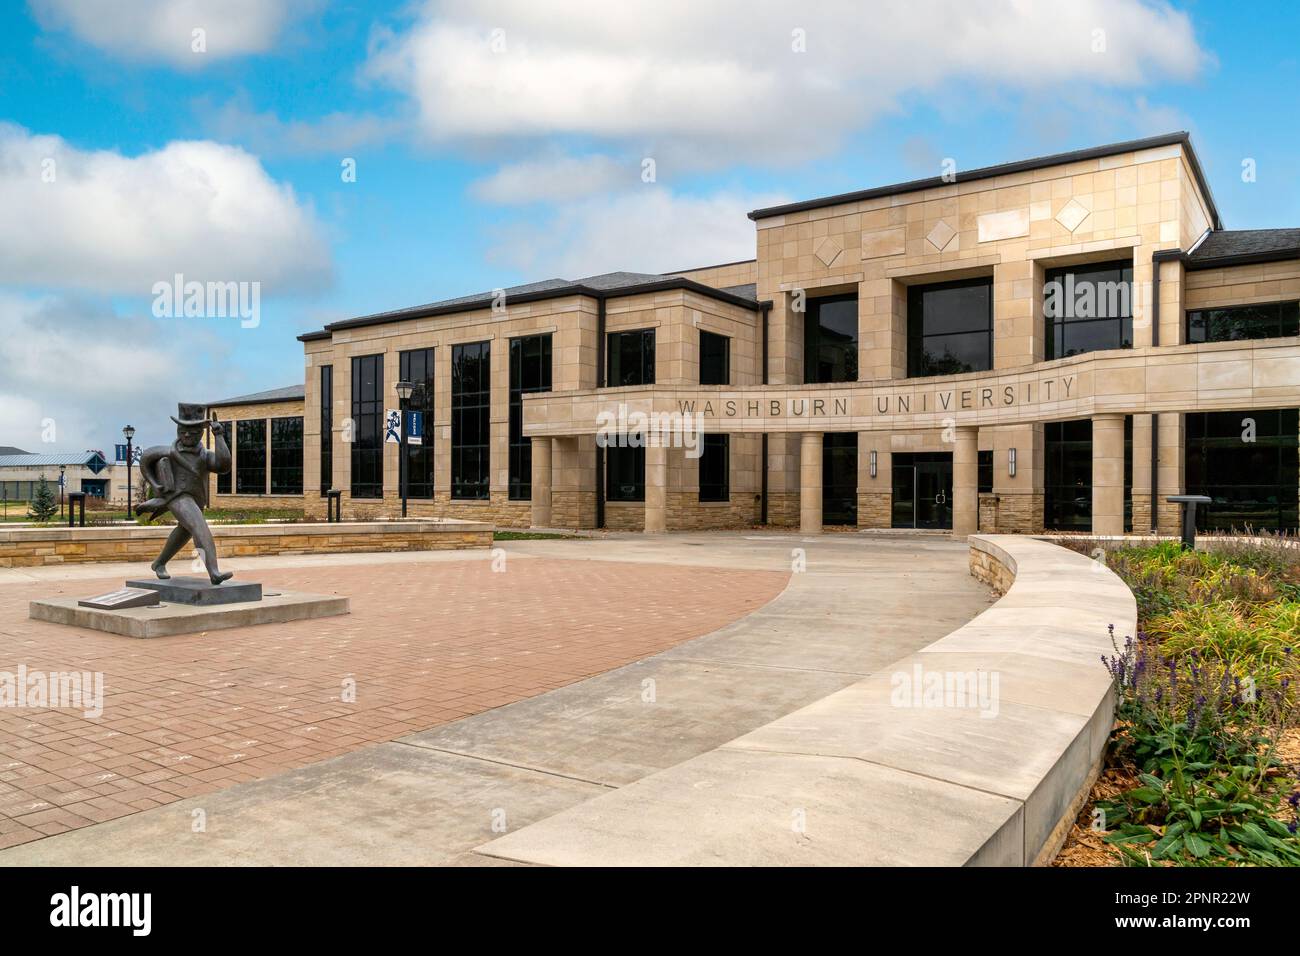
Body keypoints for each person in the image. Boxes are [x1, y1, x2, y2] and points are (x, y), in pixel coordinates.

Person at [135, 403, 234, 585]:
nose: (187, 435)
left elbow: (223, 465)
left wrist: (219, 436)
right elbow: (144, 461)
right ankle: (214, 572)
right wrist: (155, 484)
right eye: (183, 430)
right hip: (177, 496)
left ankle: (159, 563)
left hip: (197, 500)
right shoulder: (167, 452)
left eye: (193, 432)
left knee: (184, 531)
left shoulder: (204, 456)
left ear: (202, 433)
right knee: (199, 527)